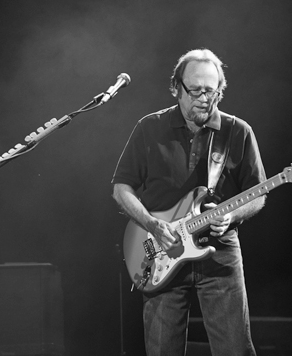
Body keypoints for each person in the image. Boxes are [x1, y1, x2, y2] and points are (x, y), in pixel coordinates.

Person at [112, 48, 267, 356]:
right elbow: (121, 188)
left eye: (211, 91)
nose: (204, 98)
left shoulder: (237, 132)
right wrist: (152, 225)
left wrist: (232, 215)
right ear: (176, 87)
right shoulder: (149, 128)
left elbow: (258, 193)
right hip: (160, 251)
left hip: (219, 253)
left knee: (235, 350)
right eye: (195, 90)